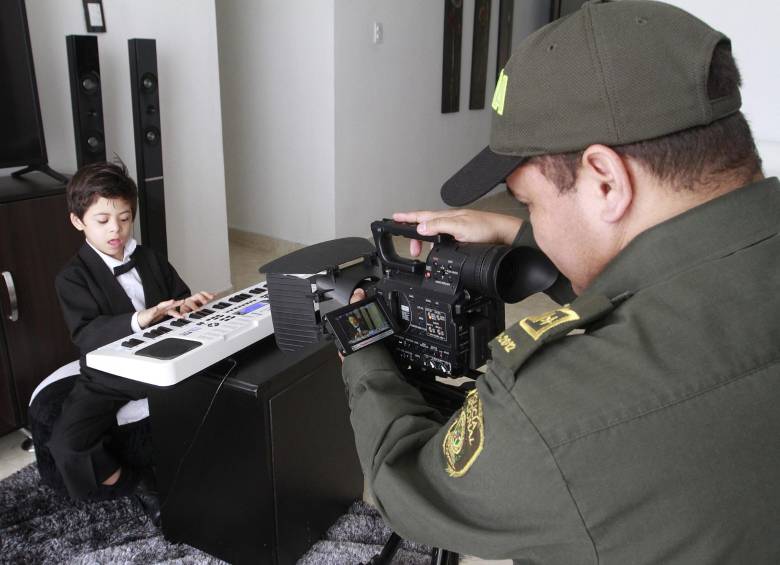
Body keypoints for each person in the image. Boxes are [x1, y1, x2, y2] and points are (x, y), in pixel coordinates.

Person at [341, 1, 780, 563]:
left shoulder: (558, 413)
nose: (532, 222)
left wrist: (365, 356)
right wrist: (518, 235)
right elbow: (677, 294)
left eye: (528, 201)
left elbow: (413, 489)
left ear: (605, 181)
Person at [48, 161, 214, 511]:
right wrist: (140, 318)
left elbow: (177, 297)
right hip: (109, 376)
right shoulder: (71, 278)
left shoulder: (150, 258)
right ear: (78, 221)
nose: (117, 230)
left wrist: (189, 305)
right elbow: (85, 333)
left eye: (124, 218)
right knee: (66, 445)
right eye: (103, 221)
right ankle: (140, 485)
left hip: (164, 359)